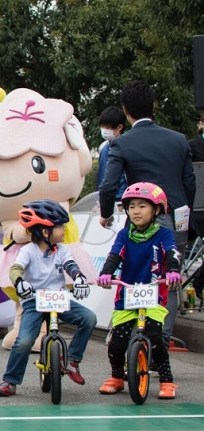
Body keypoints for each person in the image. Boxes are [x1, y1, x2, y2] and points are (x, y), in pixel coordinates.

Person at [99, 81, 195, 345]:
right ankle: (159, 342)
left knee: (135, 275)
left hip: (143, 217)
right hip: (177, 216)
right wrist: (182, 213)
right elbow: (190, 183)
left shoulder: (123, 143)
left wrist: (106, 213)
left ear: (125, 110)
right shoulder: (178, 140)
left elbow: (108, 186)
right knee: (170, 278)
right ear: (153, 106)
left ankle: (138, 340)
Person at [0, 200, 96, 397]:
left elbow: (70, 266)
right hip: (33, 301)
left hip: (58, 299)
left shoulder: (62, 250)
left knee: (89, 318)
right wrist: (19, 282)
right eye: (60, 227)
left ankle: (72, 361)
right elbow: (16, 269)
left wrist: (79, 278)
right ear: (44, 231)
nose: (64, 230)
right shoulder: (28, 251)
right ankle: (9, 381)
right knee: (24, 341)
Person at [96, 183, 181, 399]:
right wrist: (106, 272)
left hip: (154, 294)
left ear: (157, 210)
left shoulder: (164, 234)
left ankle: (167, 380)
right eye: (132, 206)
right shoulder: (125, 235)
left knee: (155, 337)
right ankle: (116, 376)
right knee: (117, 342)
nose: (136, 211)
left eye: (142, 206)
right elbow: (115, 255)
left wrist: (172, 270)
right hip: (128, 294)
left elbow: (172, 254)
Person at [95, 106, 128, 199]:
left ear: (119, 127)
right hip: (103, 199)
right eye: (102, 126)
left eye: (108, 127)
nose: (104, 130)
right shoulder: (103, 147)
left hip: (122, 200)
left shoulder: (127, 146)